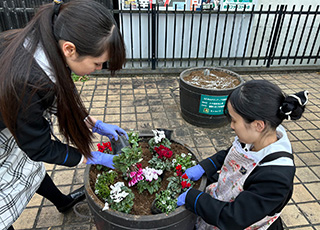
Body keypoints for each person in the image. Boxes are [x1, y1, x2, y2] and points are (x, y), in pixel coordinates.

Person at [0, 0, 127, 229]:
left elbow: (59, 100)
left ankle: (62, 202)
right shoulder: (28, 80)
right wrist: (89, 156)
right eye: (98, 63)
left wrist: (93, 123)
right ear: (70, 48)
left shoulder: (44, 43)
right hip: (6, 120)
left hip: (12, 114)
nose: (98, 69)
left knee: (28, 167)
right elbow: (38, 148)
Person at [177, 80, 309, 230]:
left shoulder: (276, 177)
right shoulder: (257, 139)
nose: (231, 126)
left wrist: (194, 199)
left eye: (234, 120)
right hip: (222, 200)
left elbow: (234, 217)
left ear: (258, 125)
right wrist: (204, 166)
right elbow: (231, 154)